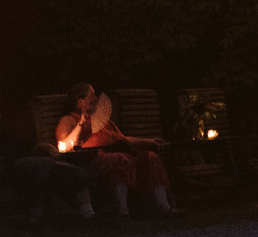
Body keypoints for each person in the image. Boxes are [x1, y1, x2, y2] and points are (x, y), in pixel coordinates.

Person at [56, 82, 172, 214]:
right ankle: (122, 210)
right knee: (118, 160)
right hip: (93, 159)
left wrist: (148, 140)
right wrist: (82, 123)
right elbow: (64, 145)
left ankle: (164, 207)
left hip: (119, 151)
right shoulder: (69, 120)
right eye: (92, 96)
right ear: (80, 102)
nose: (95, 99)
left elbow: (120, 138)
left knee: (149, 157)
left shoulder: (102, 121)